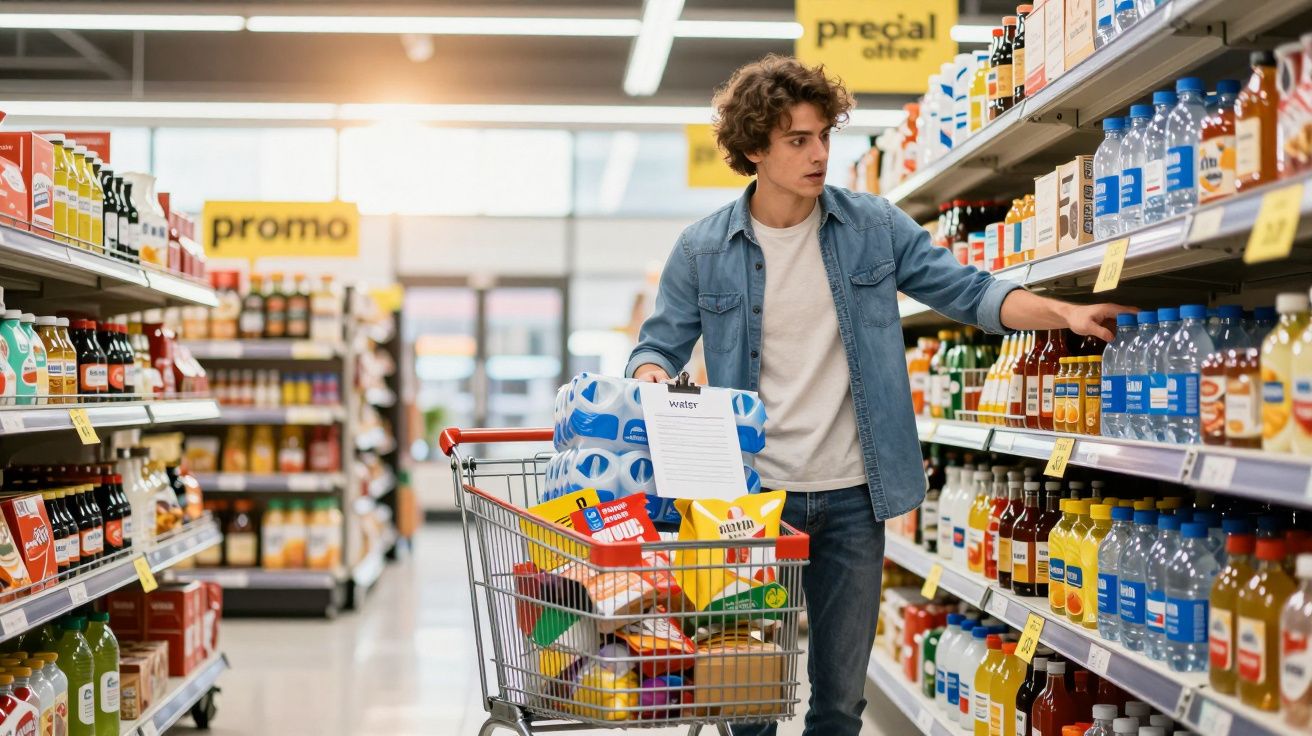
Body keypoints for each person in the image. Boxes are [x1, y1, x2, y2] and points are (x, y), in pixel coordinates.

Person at [626, 55, 1131, 736]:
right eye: (797, 140)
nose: (819, 154)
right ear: (753, 149)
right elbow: (657, 345)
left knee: (840, 703)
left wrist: (1063, 315)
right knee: (746, 700)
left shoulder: (871, 226)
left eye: (824, 136)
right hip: (748, 504)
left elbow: (970, 292)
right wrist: (653, 376)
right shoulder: (702, 250)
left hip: (853, 496)